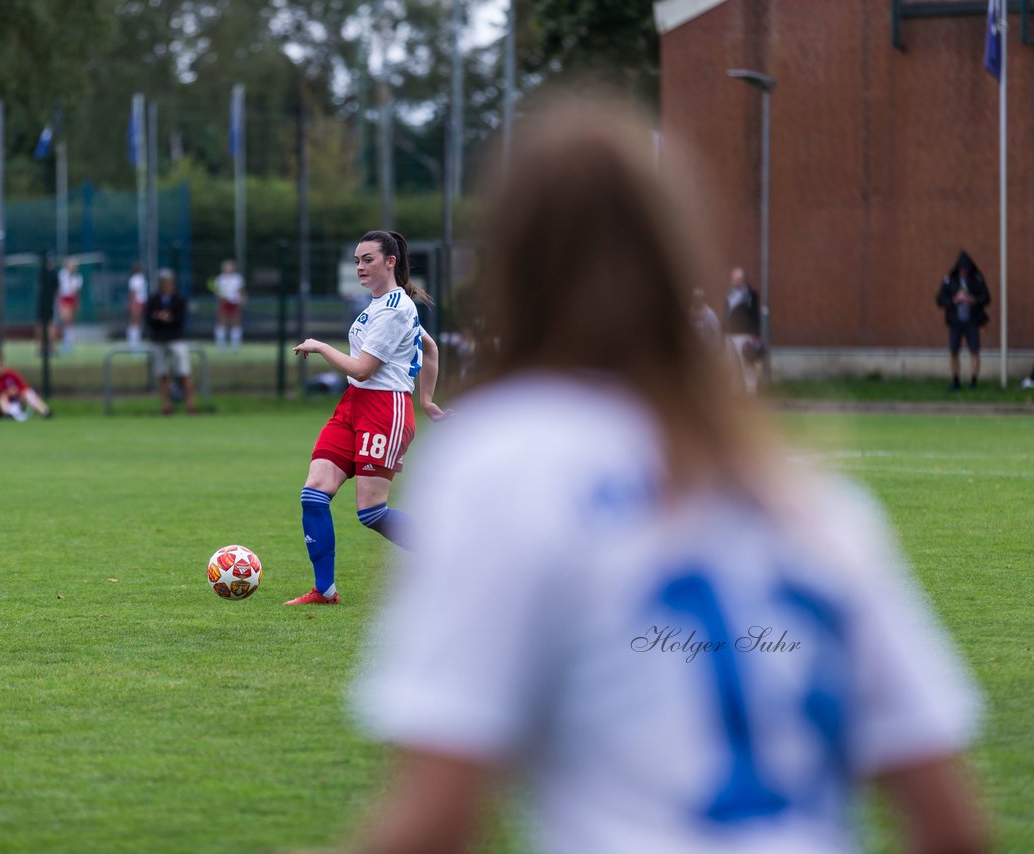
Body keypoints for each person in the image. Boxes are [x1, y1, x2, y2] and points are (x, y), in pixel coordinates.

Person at [350, 93, 987, 854]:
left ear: (518, 263)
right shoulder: (804, 496)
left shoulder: (503, 461)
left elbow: (437, 817)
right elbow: (952, 821)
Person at [285, 230, 447, 606]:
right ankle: (324, 591)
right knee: (314, 494)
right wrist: (426, 399)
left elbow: (362, 369)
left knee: (371, 513)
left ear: (390, 262)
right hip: (353, 405)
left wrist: (321, 346)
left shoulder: (394, 309)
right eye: (357, 260)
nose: (360, 266)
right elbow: (430, 347)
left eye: (368, 259)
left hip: (384, 409)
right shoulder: (380, 305)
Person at [935, 251, 990, 391]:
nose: (963, 273)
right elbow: (940, 299)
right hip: (955, 322)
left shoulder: (977, 279)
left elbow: (986, 298)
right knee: (954, 351)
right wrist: (954, 300)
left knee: (974, 351)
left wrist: (973, 300)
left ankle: (973, 381)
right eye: (961, 270)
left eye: (966, 270)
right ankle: (955, 381)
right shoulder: (949, 280)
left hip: (972, 321)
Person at [144, 268, 196, 416]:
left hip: (176, 339)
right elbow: (148, 319)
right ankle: (166, 406)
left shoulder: (180, 299)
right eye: (162, 281)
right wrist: (159, 318)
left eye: (167, 281)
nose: (164, 284)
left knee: (184, 372)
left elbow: (180, 319)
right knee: (162, 374)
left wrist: (167, 318)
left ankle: (190, 406)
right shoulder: (153, 299)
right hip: (159, 339)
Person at [724, 266, 762, 395]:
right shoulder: (730, 294)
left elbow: (755, 315)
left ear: (742, 279)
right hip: (730, 333)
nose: (733, 280)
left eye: (736, 278)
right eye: (733, 278)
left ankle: (751, 392)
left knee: (746, 363)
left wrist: (755, 334)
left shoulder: (751, 294)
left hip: (744, 334)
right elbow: (726, 312)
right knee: (733, 364)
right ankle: (735, 392)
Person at [0, 353, 52, 420]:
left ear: (1, 366)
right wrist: (6, 393)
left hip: (17, 398)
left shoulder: (11, 374)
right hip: (3, 402)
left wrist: (17, 392)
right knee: (2, 397)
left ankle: (45, 412)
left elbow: (24, 386)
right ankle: (8, 415)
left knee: (28, 393)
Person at [212, 259, 246, 350]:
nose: (228, 269)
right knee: (221, 323)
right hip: (224, 303)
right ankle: (220, 345)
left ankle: (235, 345)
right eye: (226, 267)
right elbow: (217, 292)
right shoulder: (220, 278)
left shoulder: (238, 278)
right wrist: (221, 296)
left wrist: (242, 298)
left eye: (229, 267)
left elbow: (242, 291)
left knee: (235, 323)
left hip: (235, 303)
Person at [56, 258, 83, 354]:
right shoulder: (62, 275)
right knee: (65, 321)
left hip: (72, 300)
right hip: (64, 300)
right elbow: (59, 290)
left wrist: (77, 304)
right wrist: (59, 303)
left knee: (70, 323)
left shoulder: (77, 278)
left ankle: (68, 343)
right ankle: (65, 343)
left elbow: (76, 293)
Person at [127, 263, 148, 347]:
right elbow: (133, 292)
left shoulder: (139, 278)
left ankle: (136, 341)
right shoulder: (135, 279)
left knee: (137, 323)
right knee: (135, 322)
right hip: (137, 302)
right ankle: (133, 343)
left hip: (140, 302)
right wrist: (133, 303)